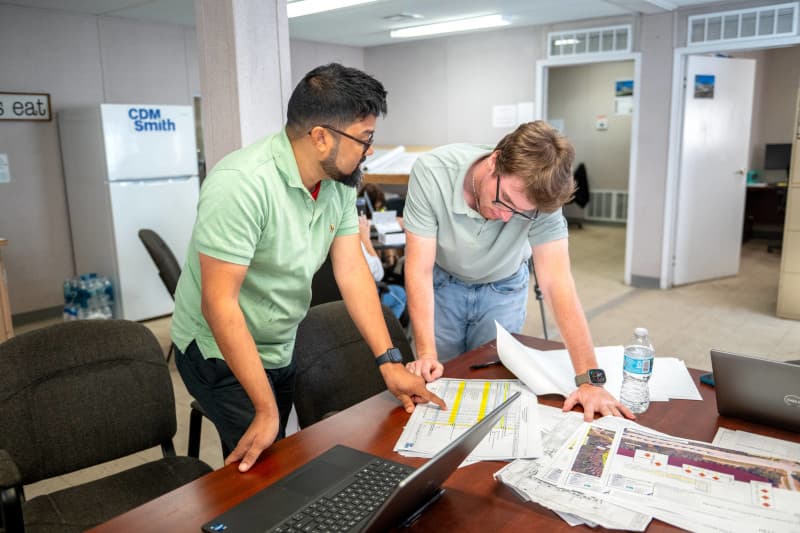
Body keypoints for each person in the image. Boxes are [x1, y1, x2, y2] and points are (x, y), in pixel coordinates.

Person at [170, 63, 445, 473]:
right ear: (320, 137)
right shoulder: (241, 184)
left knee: (277, 449)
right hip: (217, 349)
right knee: (259, 468)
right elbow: (219, 305)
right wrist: (264, 409)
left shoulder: (336, 181)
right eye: (365, 138)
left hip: (279, 338)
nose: (369, 149)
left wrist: (388, 361)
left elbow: (351, 273)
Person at [402, 121, 633, 422]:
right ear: (495, 161)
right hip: (443, 285)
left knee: (495, 383)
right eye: (506, 200)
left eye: (522, 213)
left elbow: (556, 283)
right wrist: (426, 353)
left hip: (503, 288)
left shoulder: (541, 200)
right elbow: (418, 269)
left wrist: (589, 380)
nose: (506, 216)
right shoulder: (433, 171)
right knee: (436, 384)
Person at [358, 214, 407, 320]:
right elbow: (379, 274)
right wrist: (366, 240)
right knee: (401, 294)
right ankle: (389, 332)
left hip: (331, 299)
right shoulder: (352, 241)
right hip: (362, 298)